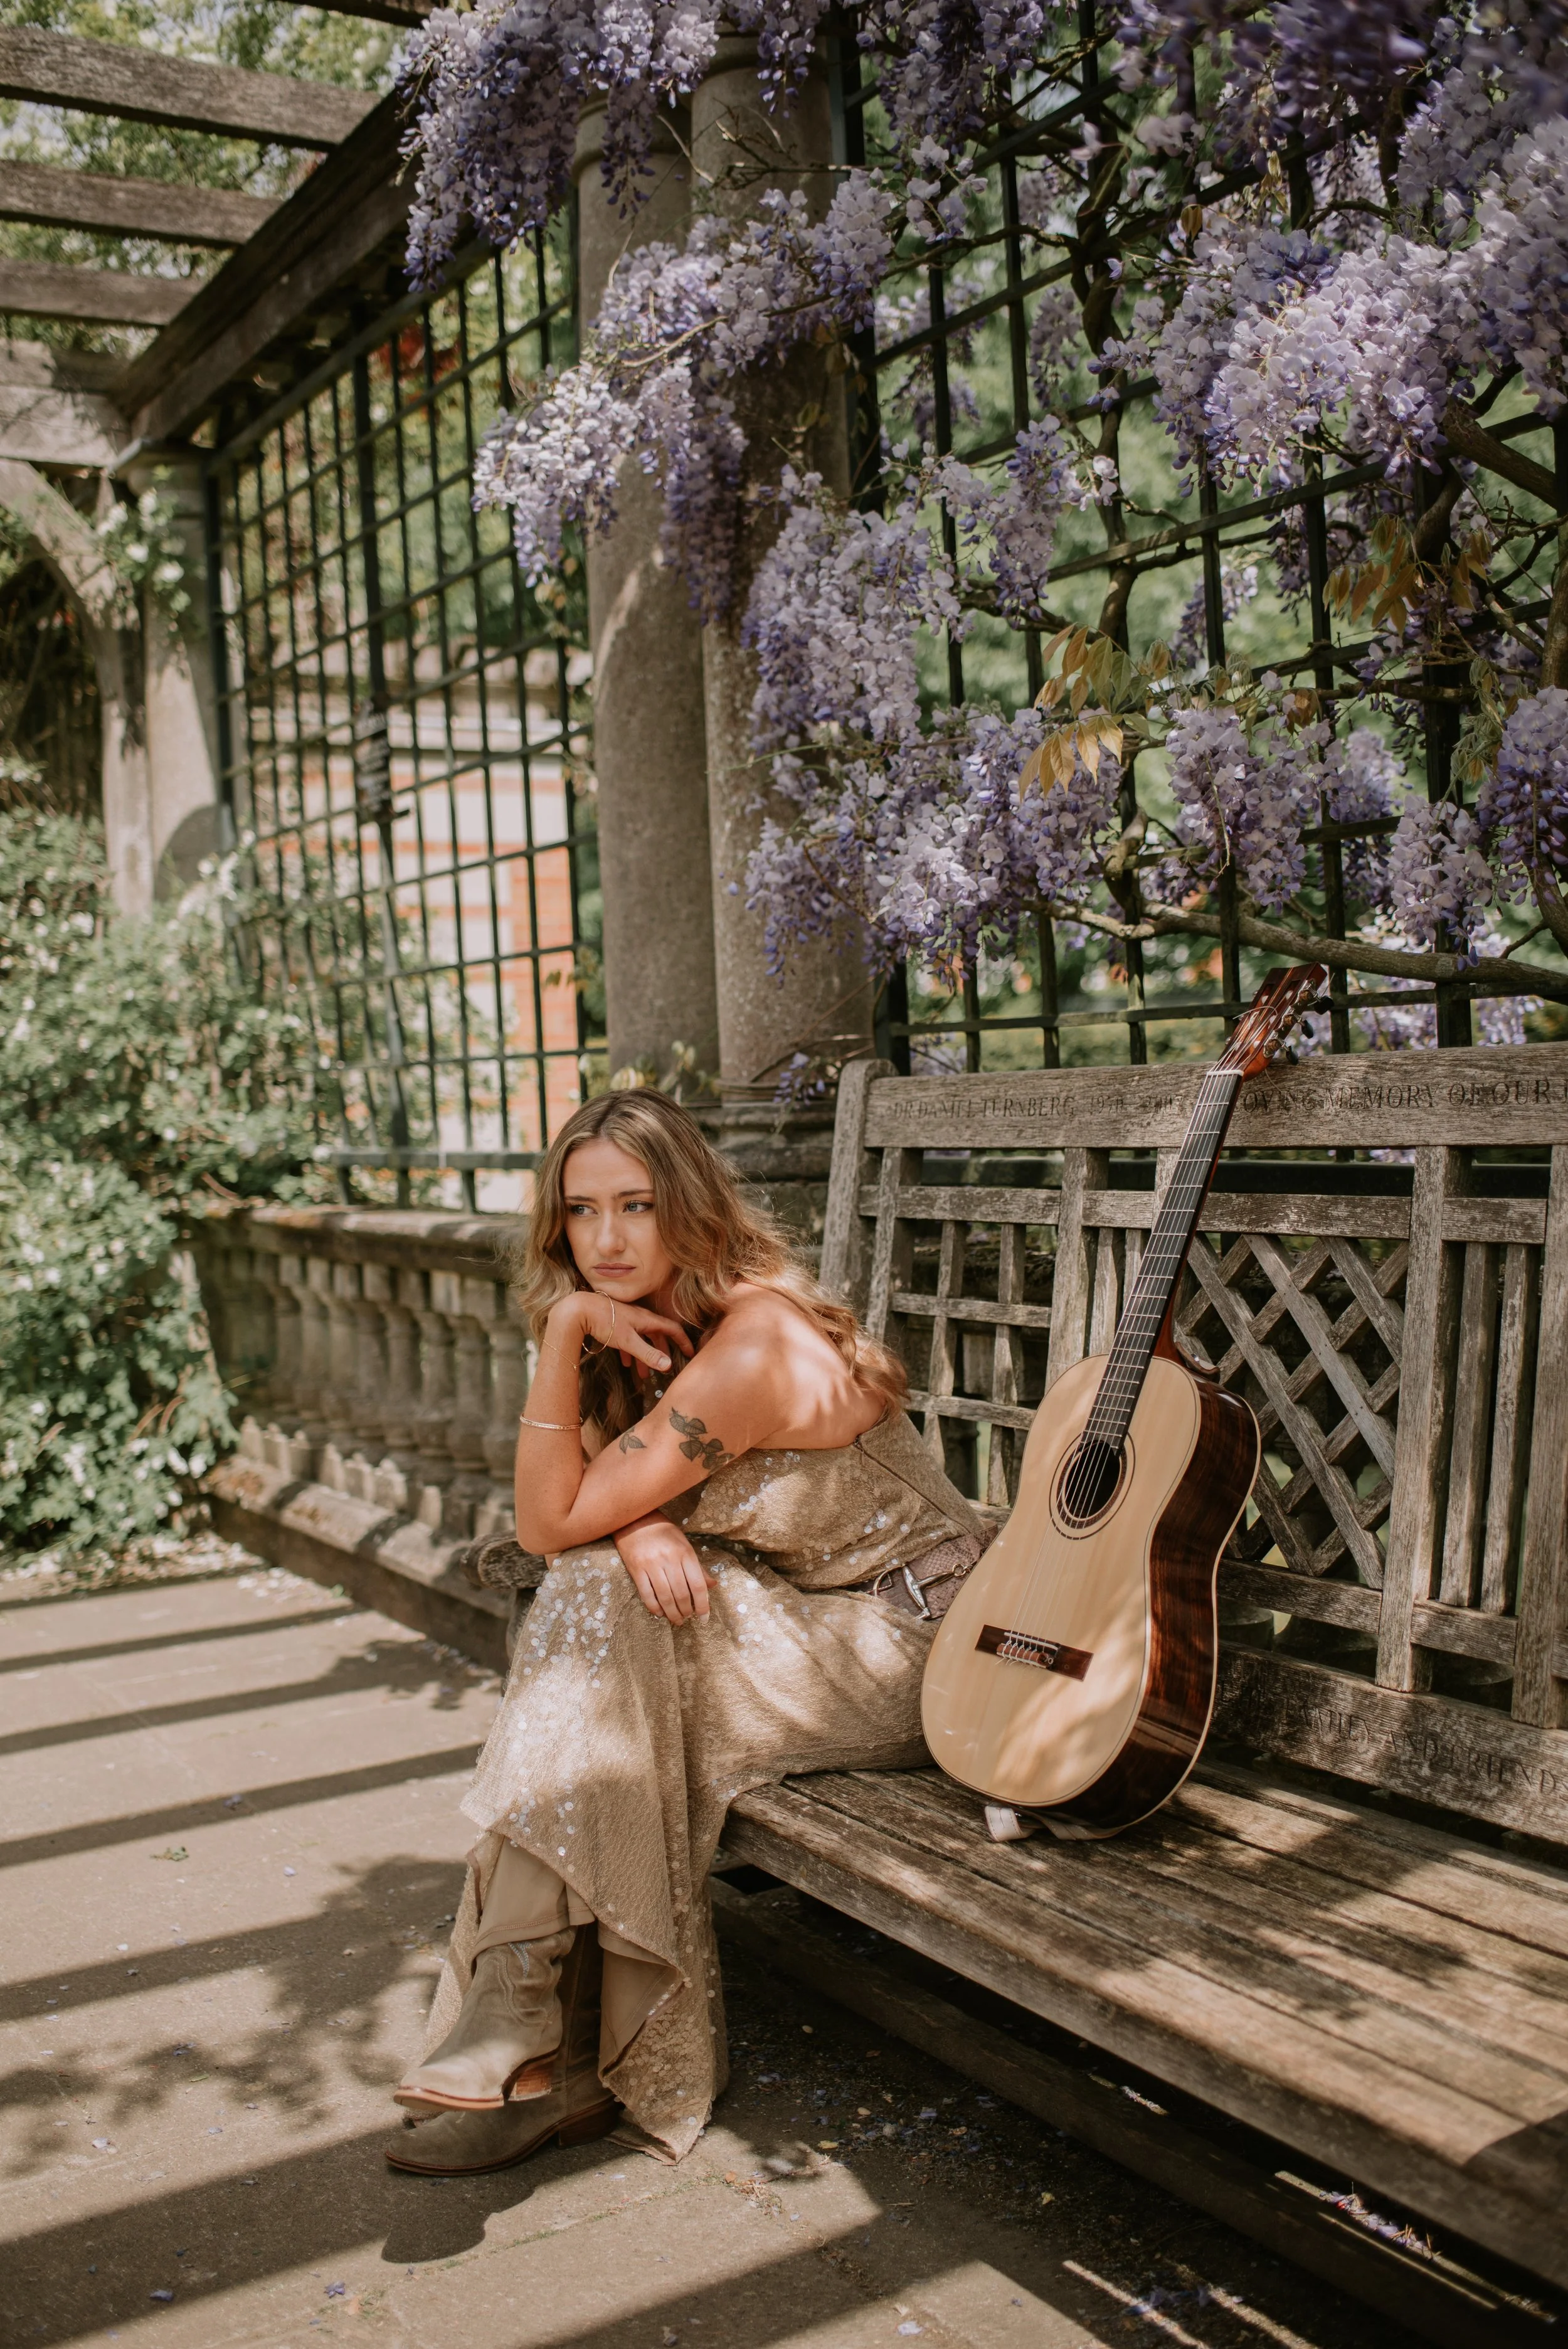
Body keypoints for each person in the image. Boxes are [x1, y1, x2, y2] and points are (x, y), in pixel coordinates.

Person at [386, 1089, 986, 2177]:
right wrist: (636, 1524)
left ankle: (529, 2037)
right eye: (581, 1212)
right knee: (608, 1630)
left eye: (636, 1206)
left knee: (602, 1636)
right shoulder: (654, 1323)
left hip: (924, 1642)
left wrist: (578, 1373)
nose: (606, 1241)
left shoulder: (751, 1344)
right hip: (813, 1615)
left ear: (690, 1208)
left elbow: (546, 1521)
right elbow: (575, 1516)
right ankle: (538, 2053)